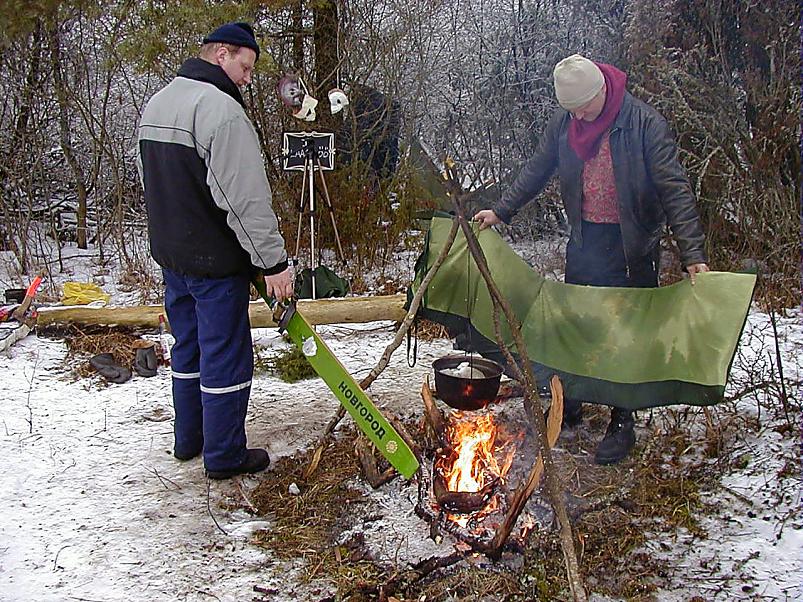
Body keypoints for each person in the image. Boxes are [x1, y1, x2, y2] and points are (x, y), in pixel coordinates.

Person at [474, 54, 709, 465]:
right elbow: (537, 169)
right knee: (577, 324)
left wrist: (693, 255)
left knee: (626, 333)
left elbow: (676, 190)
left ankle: (622, 422)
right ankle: (574, 401)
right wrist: (502, 211)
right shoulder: (566, 125)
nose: (580, 115)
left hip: (632, 244)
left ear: (602, 89)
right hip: (585, 238)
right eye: (572, 109)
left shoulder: (644, 124)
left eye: (584, 106)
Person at [137, 22, 294, 479]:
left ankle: (189, 440)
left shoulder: (159, 103)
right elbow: (244, 200)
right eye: (245, 67)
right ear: (222, 54)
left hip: (172, 258)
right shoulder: (220, 112)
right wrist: (272, 264)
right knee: (225, 355)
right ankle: (224, 456)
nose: (247, 78)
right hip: (215, 264)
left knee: (188, 349)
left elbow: (155, 185)